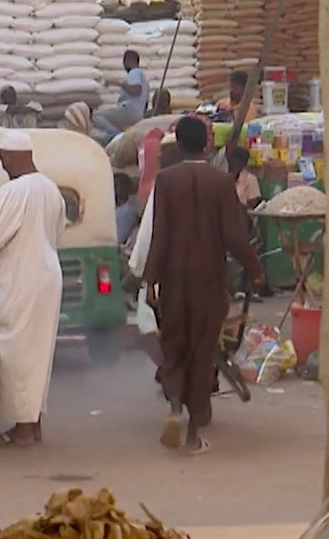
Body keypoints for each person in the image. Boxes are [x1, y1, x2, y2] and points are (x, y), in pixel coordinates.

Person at [143, 114, 263, 455]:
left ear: (178, 145)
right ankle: (194, 431)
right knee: (202, 349)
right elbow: (234, 236)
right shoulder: (221, 182)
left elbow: (160, 236)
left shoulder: (166, 181)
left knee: (175, 345)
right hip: (209, 279)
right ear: (207, 144)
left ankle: (175, 408)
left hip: (174, 279)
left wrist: (150, 281)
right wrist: (255, 269)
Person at [0, 131, 68, 448]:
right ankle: (32, 423)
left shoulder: (15, 191)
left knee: (14, 355)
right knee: (37, 353)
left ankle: (23, 429)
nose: (2, 166)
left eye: (2, 159)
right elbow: (57, 233)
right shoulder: (51, 189)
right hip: (46, 277)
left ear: (11, 156)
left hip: (18, 280)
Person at [94, 51, 149, 138]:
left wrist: (116, 82)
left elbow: (136, 90)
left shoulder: (135, 72)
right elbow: (145, 103)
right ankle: (116, 134)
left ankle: (116, 135)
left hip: (129, 110)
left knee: (97, 116)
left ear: (127, 61)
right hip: (137, 114)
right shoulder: (144, 79)